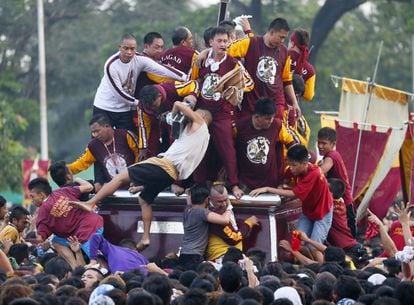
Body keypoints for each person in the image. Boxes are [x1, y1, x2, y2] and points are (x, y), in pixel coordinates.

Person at [70, 101, 212, 252]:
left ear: (202, 115)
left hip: (164, 165)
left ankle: (91, 203)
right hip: (172, 174)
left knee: (120, 178)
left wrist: (174, 115)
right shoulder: (205, 137)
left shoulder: (199, 122)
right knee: (144, 199)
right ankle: (145, 237)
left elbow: (177, 103)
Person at [191, 26, 253, 199]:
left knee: (227, 148)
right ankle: (199, 184)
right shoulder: (201, 60)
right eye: (219, 41)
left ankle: (233, 184)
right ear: (211, 43)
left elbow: (249, 83)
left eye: (226, 41)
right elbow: (193, 81)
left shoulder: (233, 63)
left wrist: (234, 88)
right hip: (203, 110)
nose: (223, 44)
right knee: (198, 145)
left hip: (223, 113)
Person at [250, 144, 333, 262]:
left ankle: (319, 268)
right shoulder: (295, 169)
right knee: (296, 240)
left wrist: (268, 189)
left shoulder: (313, 173)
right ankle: (301, 265)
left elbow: (294, 194)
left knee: (314, 246)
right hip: (308, 210)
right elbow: (284, 177)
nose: (291, 168)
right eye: (289, 164)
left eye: (294, 165)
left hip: (322, 211)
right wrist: (281, 185)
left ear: (305, 164)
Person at [92, 33, 187, 132]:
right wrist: (139, 103)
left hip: (125, 110)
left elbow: (162, 69)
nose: (129, 52)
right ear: (119, 48)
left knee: (128, 141)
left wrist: (186, 78)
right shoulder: (111, 65)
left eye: (132, 49)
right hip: (104, 107)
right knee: (99, 141)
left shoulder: (139, 59)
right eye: (126, 48)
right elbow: (119, 94)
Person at [226, 18, 300, 120]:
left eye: (284, 38)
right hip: (252, 101)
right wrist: (206, 52)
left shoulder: (284, 52)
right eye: (281, 37)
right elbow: (225, 51)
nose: (282, 41)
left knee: (275, 129)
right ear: (272, 32)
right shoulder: (250, 43)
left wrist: (295, 103)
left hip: (276, 102)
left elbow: (287, 80)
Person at [28, 176, 104, 258]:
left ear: (41, 195)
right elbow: (89, 187)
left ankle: (75, 267)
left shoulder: (42, 211)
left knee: (97, 262)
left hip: (86, 233)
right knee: (56, 241)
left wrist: (33, 226)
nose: (31, 200)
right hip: (96, 221)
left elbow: (39, 239)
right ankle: (77, 267)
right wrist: (77, 178)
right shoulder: (61, 191)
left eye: (32, 196)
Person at [235, 97, 299, 192]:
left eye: (273, 117)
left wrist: (298, 160)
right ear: (256, 117)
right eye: (267, 118)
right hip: (245, 183)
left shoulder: (277, 126)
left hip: (270, 183)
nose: (271, 120)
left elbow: (291, 143)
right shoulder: (239, 127)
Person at [68, 114, 139, 191]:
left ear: (107, 126)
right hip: (113, 190)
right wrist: (65, 169)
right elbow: (81, 163)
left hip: (135, 184)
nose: (95, 135)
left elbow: (140, 156)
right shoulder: (93, 145)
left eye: (97, 131)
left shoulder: (126, 135)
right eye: (93, 132)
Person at [136, 80, 199, 159]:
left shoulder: (171, 88)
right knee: (151, 148)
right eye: (149, 107)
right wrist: (143, 147)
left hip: (179, 121)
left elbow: (194, 84)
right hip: (159, 125)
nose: (152, 109)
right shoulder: (142, 107)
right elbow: (143, 126)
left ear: (159, 96)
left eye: (154, 105)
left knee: (176, 144)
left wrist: (192, 95)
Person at [178, 184, 232, 270]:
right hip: (194, 256)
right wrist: (229, 207)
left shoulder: (187, 210)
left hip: (183, 254)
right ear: (207, 199)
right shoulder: (202, 212)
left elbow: (188, 200)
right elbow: (224, 220)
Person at [317, 127, 356, 237]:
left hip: (344, 203)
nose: (320, 146)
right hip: (338, 202)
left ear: (333, 144)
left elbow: (320, 172)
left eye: (324, 143)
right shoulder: (331, 156)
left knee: (349, 237)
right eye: (319, 142)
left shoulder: (331, 156)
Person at [206, 183, 259, 262]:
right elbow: (234, 238)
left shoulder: (227, 207)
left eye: (226, 200)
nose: (224, 204)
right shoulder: (213, 216)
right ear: (210, 199)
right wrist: (249, 223)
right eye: (219, 202)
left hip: (230, 257)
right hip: (220, 259)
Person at [288, 28, 315, 102]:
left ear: (292, 43)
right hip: (292, 108)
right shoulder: (310, 70)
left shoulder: (282, 56)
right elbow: (308, 96)